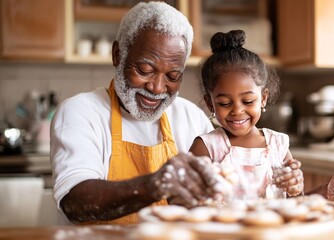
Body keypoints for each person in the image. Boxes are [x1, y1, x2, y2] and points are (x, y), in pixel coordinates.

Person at [50, 2, 226, 225]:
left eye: (173, 76)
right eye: (145, 70)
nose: (157, 87)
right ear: (117, 55)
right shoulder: (81, 112)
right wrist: (155, 185)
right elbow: (74, 202)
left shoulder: (191, 117)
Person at [189, 30, 334, 207]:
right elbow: (182, 203)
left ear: (263, 99)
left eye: (247, 101)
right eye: (224, 103)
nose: (237, 111)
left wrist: (320, 192)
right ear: (210, 104)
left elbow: (294, 204)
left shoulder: (277, 145)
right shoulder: (207, 147)